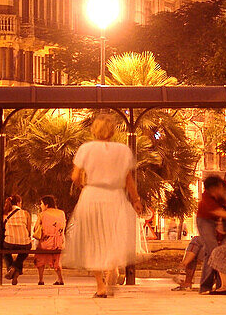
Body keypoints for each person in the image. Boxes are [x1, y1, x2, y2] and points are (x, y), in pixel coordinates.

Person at [63, 114, 143, 298]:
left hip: (92, 196)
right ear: (113, 130)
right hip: (115, 196)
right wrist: (136, 200)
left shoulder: (86, 149)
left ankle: (100, 286)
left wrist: (84, 186)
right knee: (113, 235)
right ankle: (112, 268)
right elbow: (128, 179)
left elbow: (75, 176)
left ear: (94, 129)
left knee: (93, 239)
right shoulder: (123, 150)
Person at [173, 180, 226, 292]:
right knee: (199, 245)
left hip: (223, 247)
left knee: (201, 246)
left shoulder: (225, 215)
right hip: (216, 245)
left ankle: (184, 267)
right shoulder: (212, 203)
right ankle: (187, 274)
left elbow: (225, 236)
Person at [33, 195, 66, 286]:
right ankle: (60, 279)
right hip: (58, 242)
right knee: (57, 260)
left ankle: (41, 279)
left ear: (46, 205)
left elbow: (36, 228)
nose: (41, 206)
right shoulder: (61, 213)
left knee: (40, 257)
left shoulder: (42, 214)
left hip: (46, 242)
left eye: (41, 204)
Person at [2, 194, 31, 286]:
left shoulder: (5, 213)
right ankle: (15, 269)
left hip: (9, 242)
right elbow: (29, 230)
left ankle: (11, 269)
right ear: (19, 203)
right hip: (24, 243)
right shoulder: (25, 213)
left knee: (5, 252)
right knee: (24, 251)